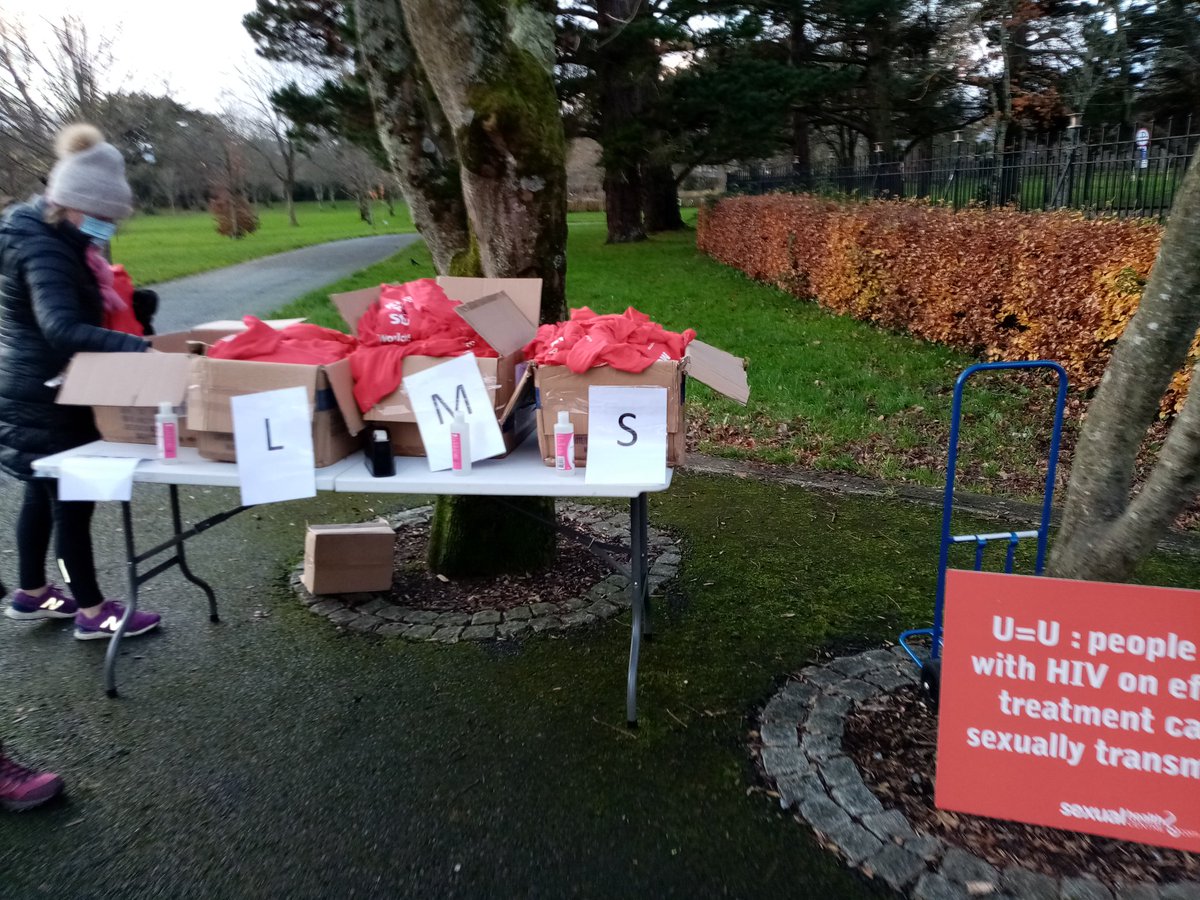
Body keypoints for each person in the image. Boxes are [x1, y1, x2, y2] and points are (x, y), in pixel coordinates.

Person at [0, 123, 162, 640]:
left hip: (35, 387)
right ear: (74, 205)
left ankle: (30, 592)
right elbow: (61, 327)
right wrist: (140, 349)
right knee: (71, 503)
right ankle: (91, 610)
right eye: (104, 217)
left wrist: (135, 312)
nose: (107, 229)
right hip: (47, 393)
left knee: (40, 493)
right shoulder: (44, 247)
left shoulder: (52, 237)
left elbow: (71, 310)